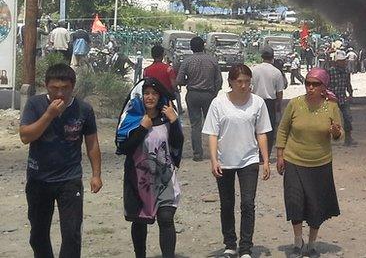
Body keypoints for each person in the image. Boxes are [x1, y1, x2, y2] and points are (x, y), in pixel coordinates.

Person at [19, 63, 103, 258]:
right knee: (38, 234)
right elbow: (25, 137)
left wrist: (96, 175)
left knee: (72, 233)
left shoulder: (83, 109)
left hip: (69, 179)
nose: (60, 93)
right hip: (39, 178)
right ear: (46, 86)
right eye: (54, 88)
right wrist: (48, 115)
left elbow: (92, 143)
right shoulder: (35, 104)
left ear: (72, 87)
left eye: (64, 88)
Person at [202, 64, 272, 258]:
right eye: (239, 81)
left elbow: (262, 133)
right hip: (225, 160)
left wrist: (265, 160)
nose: (243, 85)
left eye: (247, 81)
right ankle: (230, 243)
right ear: (231, 82)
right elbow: (213, 134)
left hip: (249, 159)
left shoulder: (257, 103)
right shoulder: (219, 103)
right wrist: (213, 159)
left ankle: (246, 247)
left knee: (248, 203)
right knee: (227, 203)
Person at [276, 68, 343, 258]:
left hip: (320, 163)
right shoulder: (295, 104)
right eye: (308, 83)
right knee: (295, 202)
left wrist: (335, 132)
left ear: (324, 87)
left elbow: (339, 134)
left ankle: (312, 244)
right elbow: (282, 130)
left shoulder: (331, 107)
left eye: (315, 84)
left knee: (316, 205)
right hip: (294, 160)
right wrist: (280, 155)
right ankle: (298, 242)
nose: (311, 87)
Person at [116, 78, 183, 258]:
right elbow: (123, 147)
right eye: (146, 93)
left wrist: (175, 121)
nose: (150, 97)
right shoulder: (132, 118)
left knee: (166, 218)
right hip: (138, 179)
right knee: (139, 221)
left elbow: (177, 143)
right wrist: (141, 129)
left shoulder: (167, 117)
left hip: (164, 177)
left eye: (154, 94)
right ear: (140, 96)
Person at [175, 36, 222, 161]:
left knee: (196, 125)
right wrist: (214, 93)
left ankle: (197, 154)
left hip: (193, 94)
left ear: (191, 48)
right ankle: (218, 152)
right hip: (209, 95)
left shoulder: (187, 61)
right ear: (204, 46)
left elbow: (179, 80)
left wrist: (188, 82)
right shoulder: (212, 60)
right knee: (213, 124)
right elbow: (219, 80)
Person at [250, 49, 286, 160]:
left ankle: (255, 154)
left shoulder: (253, 70)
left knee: (254, 128)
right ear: (272, 57)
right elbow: (279, 92)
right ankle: (265, 155)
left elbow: (249, 88)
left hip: (255, 101)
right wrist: (278, 106)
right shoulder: (276, 72)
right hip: (270, 103)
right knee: (268, 129)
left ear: (262, 57)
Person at [144, 44, 181, 115]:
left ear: (152, 55)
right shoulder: (168, 69)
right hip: (166, 100)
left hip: (152, 101)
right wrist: (176, 90)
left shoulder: (146, 70)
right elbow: (173, 85)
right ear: (163, 55)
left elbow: (145, 85)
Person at [328, 51, 355, 146]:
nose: (343, 62)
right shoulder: (330, 71)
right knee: (327, 119)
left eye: (344, 61)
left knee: (347, 117)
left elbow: (348, 83)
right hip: (331, 99)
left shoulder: (346, 71)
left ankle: (348, 138)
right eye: (341, 61)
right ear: (336, 62)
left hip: (342, 98)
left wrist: (351, 94)